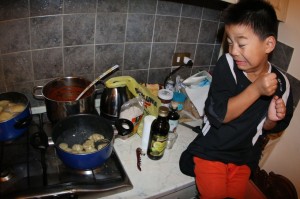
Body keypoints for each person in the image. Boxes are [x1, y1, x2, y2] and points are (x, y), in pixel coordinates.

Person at [179, 0, 294, 198]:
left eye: (241, 44)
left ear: (269, 44)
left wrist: (271, 119)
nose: (233, 50)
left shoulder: (281, 83)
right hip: (212, 152)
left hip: (243, 158)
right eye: (230, 42)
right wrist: (256, 89)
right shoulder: (228, 66)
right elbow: (219, 115)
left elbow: (268, 128)